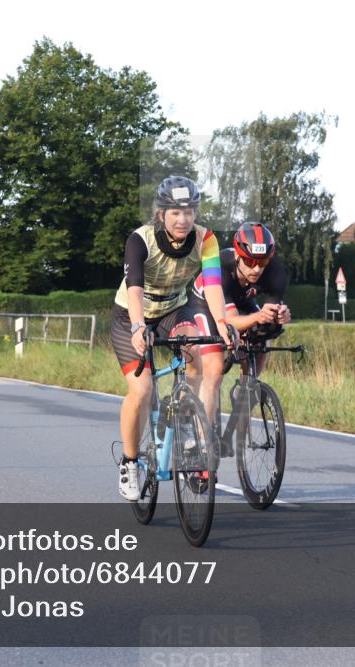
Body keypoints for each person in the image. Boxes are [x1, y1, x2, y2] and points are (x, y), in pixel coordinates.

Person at [113, 176, 230, 501]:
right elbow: (135, 289)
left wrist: (222, 324)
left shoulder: (205, 239)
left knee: (198, 353)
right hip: (130, 316)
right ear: (161, 213)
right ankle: (130, 462)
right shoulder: (140, 239)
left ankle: (190, 424)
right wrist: (139, 328)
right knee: (142, 388)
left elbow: (214, 286)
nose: (183, 219)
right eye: (176, 213)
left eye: (189, 212)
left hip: (172, 311)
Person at [190, 222, 291, 454]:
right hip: (207, 302)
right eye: (250, 262)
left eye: (262, 262)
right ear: (237, 256)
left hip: (242, 300)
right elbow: (231, 320)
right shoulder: (222, 268)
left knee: (262, 340)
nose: (256, 269)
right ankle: (204, 444)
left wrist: (281, 315)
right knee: (214, 371)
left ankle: (244, 391)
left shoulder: (275, 273)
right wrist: (258, 316)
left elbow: (272, 313)